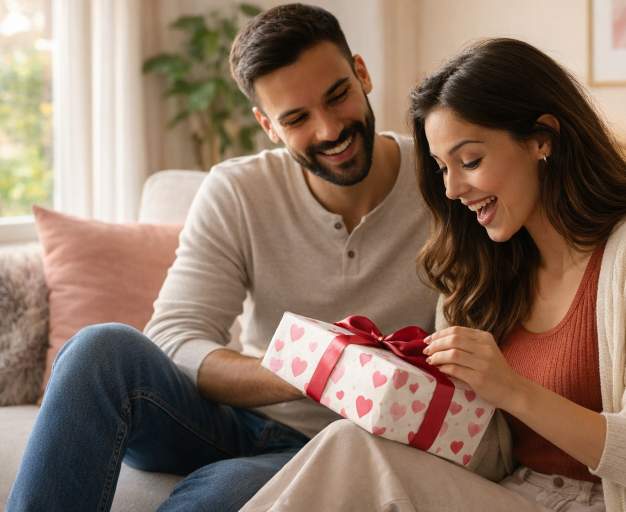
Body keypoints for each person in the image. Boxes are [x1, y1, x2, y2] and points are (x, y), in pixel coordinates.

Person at [239, 38, 626, 512]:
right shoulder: (479, 277)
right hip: (514, 496)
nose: (453, 189)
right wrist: (402, 398)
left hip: (611, 502)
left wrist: (512, 389)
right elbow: (494, 461)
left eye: (470, 161)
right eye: (441, 168)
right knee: (353, 442)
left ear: (543, 138)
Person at [7, 4, 436, 511]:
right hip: (243, 417)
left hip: (354, 444)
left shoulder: (444, 180)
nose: (327, 130)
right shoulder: (238, 189)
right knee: (98, 349)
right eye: (296, 118)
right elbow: (175, 338)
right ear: (268, 126)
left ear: (361, 72)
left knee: (214, 498)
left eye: (337, 95)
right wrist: (308, 371)